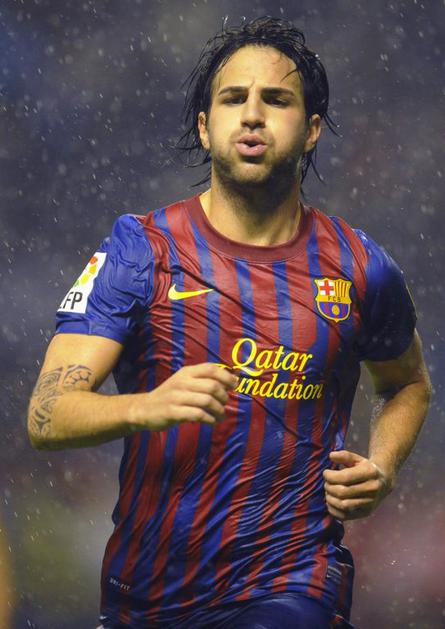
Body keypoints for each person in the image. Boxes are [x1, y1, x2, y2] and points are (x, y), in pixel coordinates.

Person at [27, 16, 431, 629]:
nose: (253, 115)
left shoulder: (360, 267)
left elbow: (407, 383)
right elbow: (46, 414)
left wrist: (384, 466)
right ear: (204, 126)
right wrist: (146, 406)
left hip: (293, 583)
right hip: (148, 593)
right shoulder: (141, 251)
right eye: (233, 98)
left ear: (311, 129)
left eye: (277, 100)